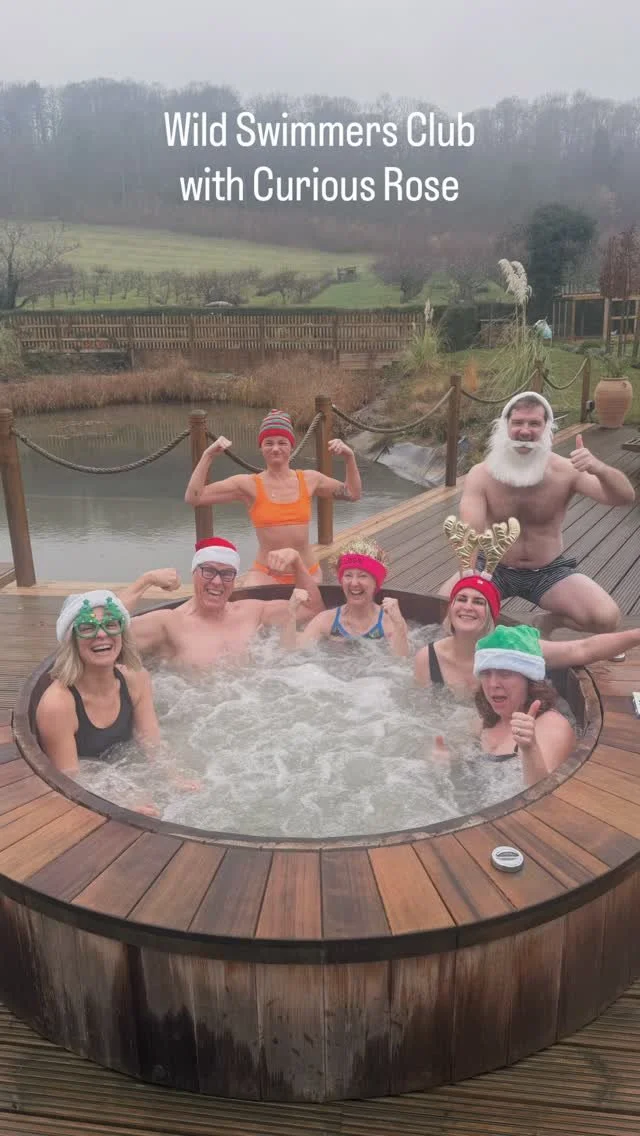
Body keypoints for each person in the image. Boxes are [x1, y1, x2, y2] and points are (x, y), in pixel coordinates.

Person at [443, 391, 635, 633]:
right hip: (492, 567)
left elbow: (625, 497)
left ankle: (548, 623)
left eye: (534, 423)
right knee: (442, 610)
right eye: (518, 423)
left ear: (546, 428)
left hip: (547, 569)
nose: (525, 431)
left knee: (605, 618)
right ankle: (489, 631)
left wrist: (599, 468)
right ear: (505, 426)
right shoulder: (482, 474)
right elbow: (470, 533)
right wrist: (469, 580)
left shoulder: (566, 470)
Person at [420, 514, 640, 693]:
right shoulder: (428, 657)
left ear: (491, 613)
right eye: (461, 599)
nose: (468, 607)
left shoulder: (512, 646)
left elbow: (582, 649)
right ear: (451, 608)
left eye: (478, 602)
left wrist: (636, 635)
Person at [184, 409, 362, 586]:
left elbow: (353, 493)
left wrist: (349, 457)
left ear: (291, 446)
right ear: (261, 447)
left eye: (282, 442)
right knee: (249, 601)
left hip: (308, 572)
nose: (275, 448)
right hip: (265, 574)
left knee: (308, 604)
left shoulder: (310, 479)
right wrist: (208, 456)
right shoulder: (248, 485)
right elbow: (194, 497)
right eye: (268, 443)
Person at [121, 537, 325, 669]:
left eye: (227, 574)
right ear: (194, 573)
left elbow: (312, 610)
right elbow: (108, 630)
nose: (217, 581)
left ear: (234, 580)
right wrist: (145, 581)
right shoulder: (170, 623)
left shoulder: (251, 612)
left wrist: (297, 562)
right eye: (208, 571)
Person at [36, 590, 160, 778]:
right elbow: (70, 780)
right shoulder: (58, 705)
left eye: (110, 625)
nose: (102, 634)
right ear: (72, 641)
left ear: (122, 634)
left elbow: (153, 745)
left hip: (127, 776)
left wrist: (174, 777)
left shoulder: (136, 678)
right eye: (87, 628)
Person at [472, 625, 576, 786]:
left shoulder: (552, 726)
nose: (493, 684)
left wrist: (531, 749)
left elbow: (545, 793)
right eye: (486, 673)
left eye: (505, 673)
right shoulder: (483, 722)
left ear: (529, 679)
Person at [281, 538, 409, 656]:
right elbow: (291, 653)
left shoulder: (389, 622)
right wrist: (291, 613)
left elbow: (401, 662)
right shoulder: (327, 619)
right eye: (348, 575)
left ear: (375, 582)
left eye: (362, 576)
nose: (354, 583)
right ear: (341, 581)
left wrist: (399, 625)